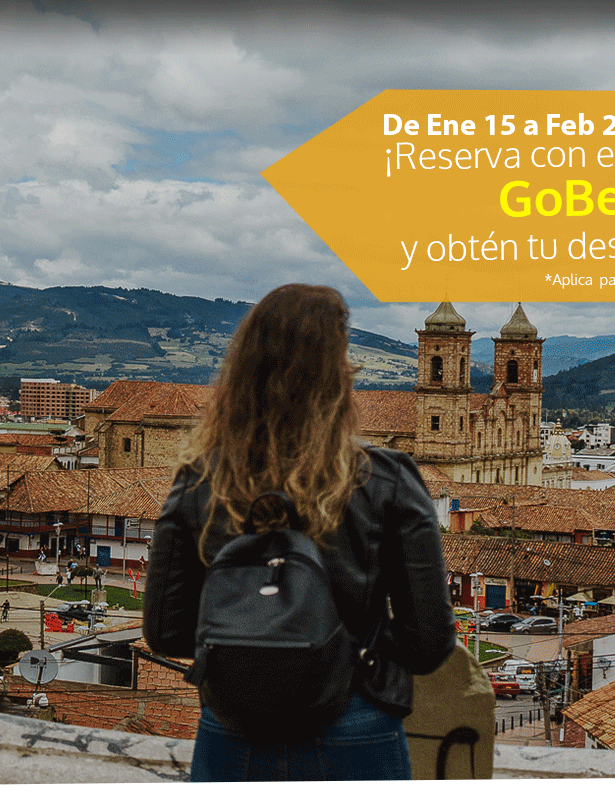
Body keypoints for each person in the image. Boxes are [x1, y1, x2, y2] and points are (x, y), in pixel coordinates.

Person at [141, 284, 452, 781]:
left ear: (242, 373)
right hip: (356, 723)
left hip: (233, 729)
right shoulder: (388, 481)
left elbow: (166, 631)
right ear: (338, 377)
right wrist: (349, 655)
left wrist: (253, 647)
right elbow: (429, 642)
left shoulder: (198, 483)